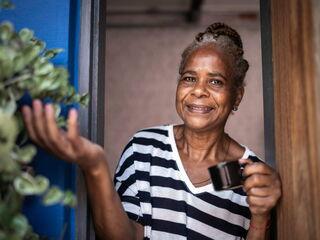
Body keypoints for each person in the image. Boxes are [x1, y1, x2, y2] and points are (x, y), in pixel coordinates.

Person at [22, 22, 281, 240]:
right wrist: (95, 165)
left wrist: (260, 217)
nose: (198, 90)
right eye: (189, 78)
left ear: (237, 96)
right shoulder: (143, 148)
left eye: (216, 81)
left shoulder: (252, 175)